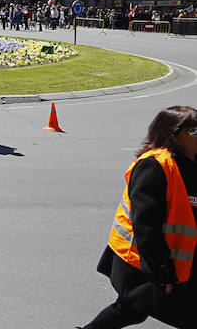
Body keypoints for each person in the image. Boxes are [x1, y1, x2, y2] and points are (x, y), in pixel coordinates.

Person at [81, 106, 197, 329]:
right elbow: (146, 226)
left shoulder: (191, 163)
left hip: (181, 263)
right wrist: (162, 271)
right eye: (193, 131)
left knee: (132, 310)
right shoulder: (154, 166)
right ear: (172, 136)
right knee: (132, 309)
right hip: (144, 262)